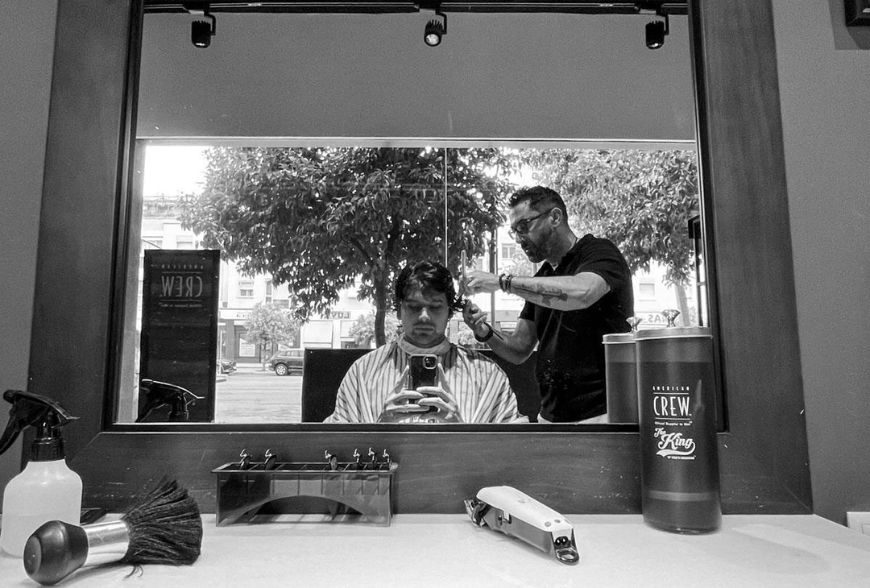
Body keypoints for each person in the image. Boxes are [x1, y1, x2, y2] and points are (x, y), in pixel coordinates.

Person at [461, 186, 633, 423]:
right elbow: (519, 348)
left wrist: (502, 282)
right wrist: (484, 331)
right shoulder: (543, 276)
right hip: (550, 416)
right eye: (514, 231)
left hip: (602, 413)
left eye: (524, 226)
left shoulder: (599, 252)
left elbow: (582, 293)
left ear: (555, 217)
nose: (519, 239)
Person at [324, 260, 523, 424]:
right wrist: (379, 431)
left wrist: (460, 433)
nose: (424, 317)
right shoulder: (363, 373)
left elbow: (515, 449)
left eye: (435, 307)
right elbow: (335, 446)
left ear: (450, 312)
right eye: (414, 307)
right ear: (399, 310)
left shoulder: (487, 375)